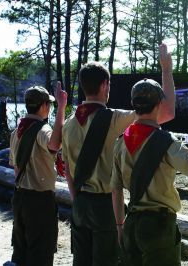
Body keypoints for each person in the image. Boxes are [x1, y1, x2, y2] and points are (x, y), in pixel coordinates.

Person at [62, 44, 175, 266]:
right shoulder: (114, 120)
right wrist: (166, 70)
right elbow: (167, 111)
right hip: (105, 206)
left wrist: (78, 201)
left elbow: (67, 171)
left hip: (80, 203)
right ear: (105, 85)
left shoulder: (68, 125)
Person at [111, 80, 188, 266]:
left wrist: (119, 226)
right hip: (159, 227)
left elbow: (116, 190)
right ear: (159, 104)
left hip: (131, 221)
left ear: (134, 104)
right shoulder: (165, 142)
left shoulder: (120, 142)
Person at [8, 83, 67, 266]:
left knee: (20, 248)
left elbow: (16, 168)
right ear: (44, 106)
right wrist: (62, 108)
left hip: (19, 197)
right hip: (40, 201)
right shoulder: (43, 129)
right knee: (41, 251)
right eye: (50, 104)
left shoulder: (15, 132)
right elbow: (55, 145)